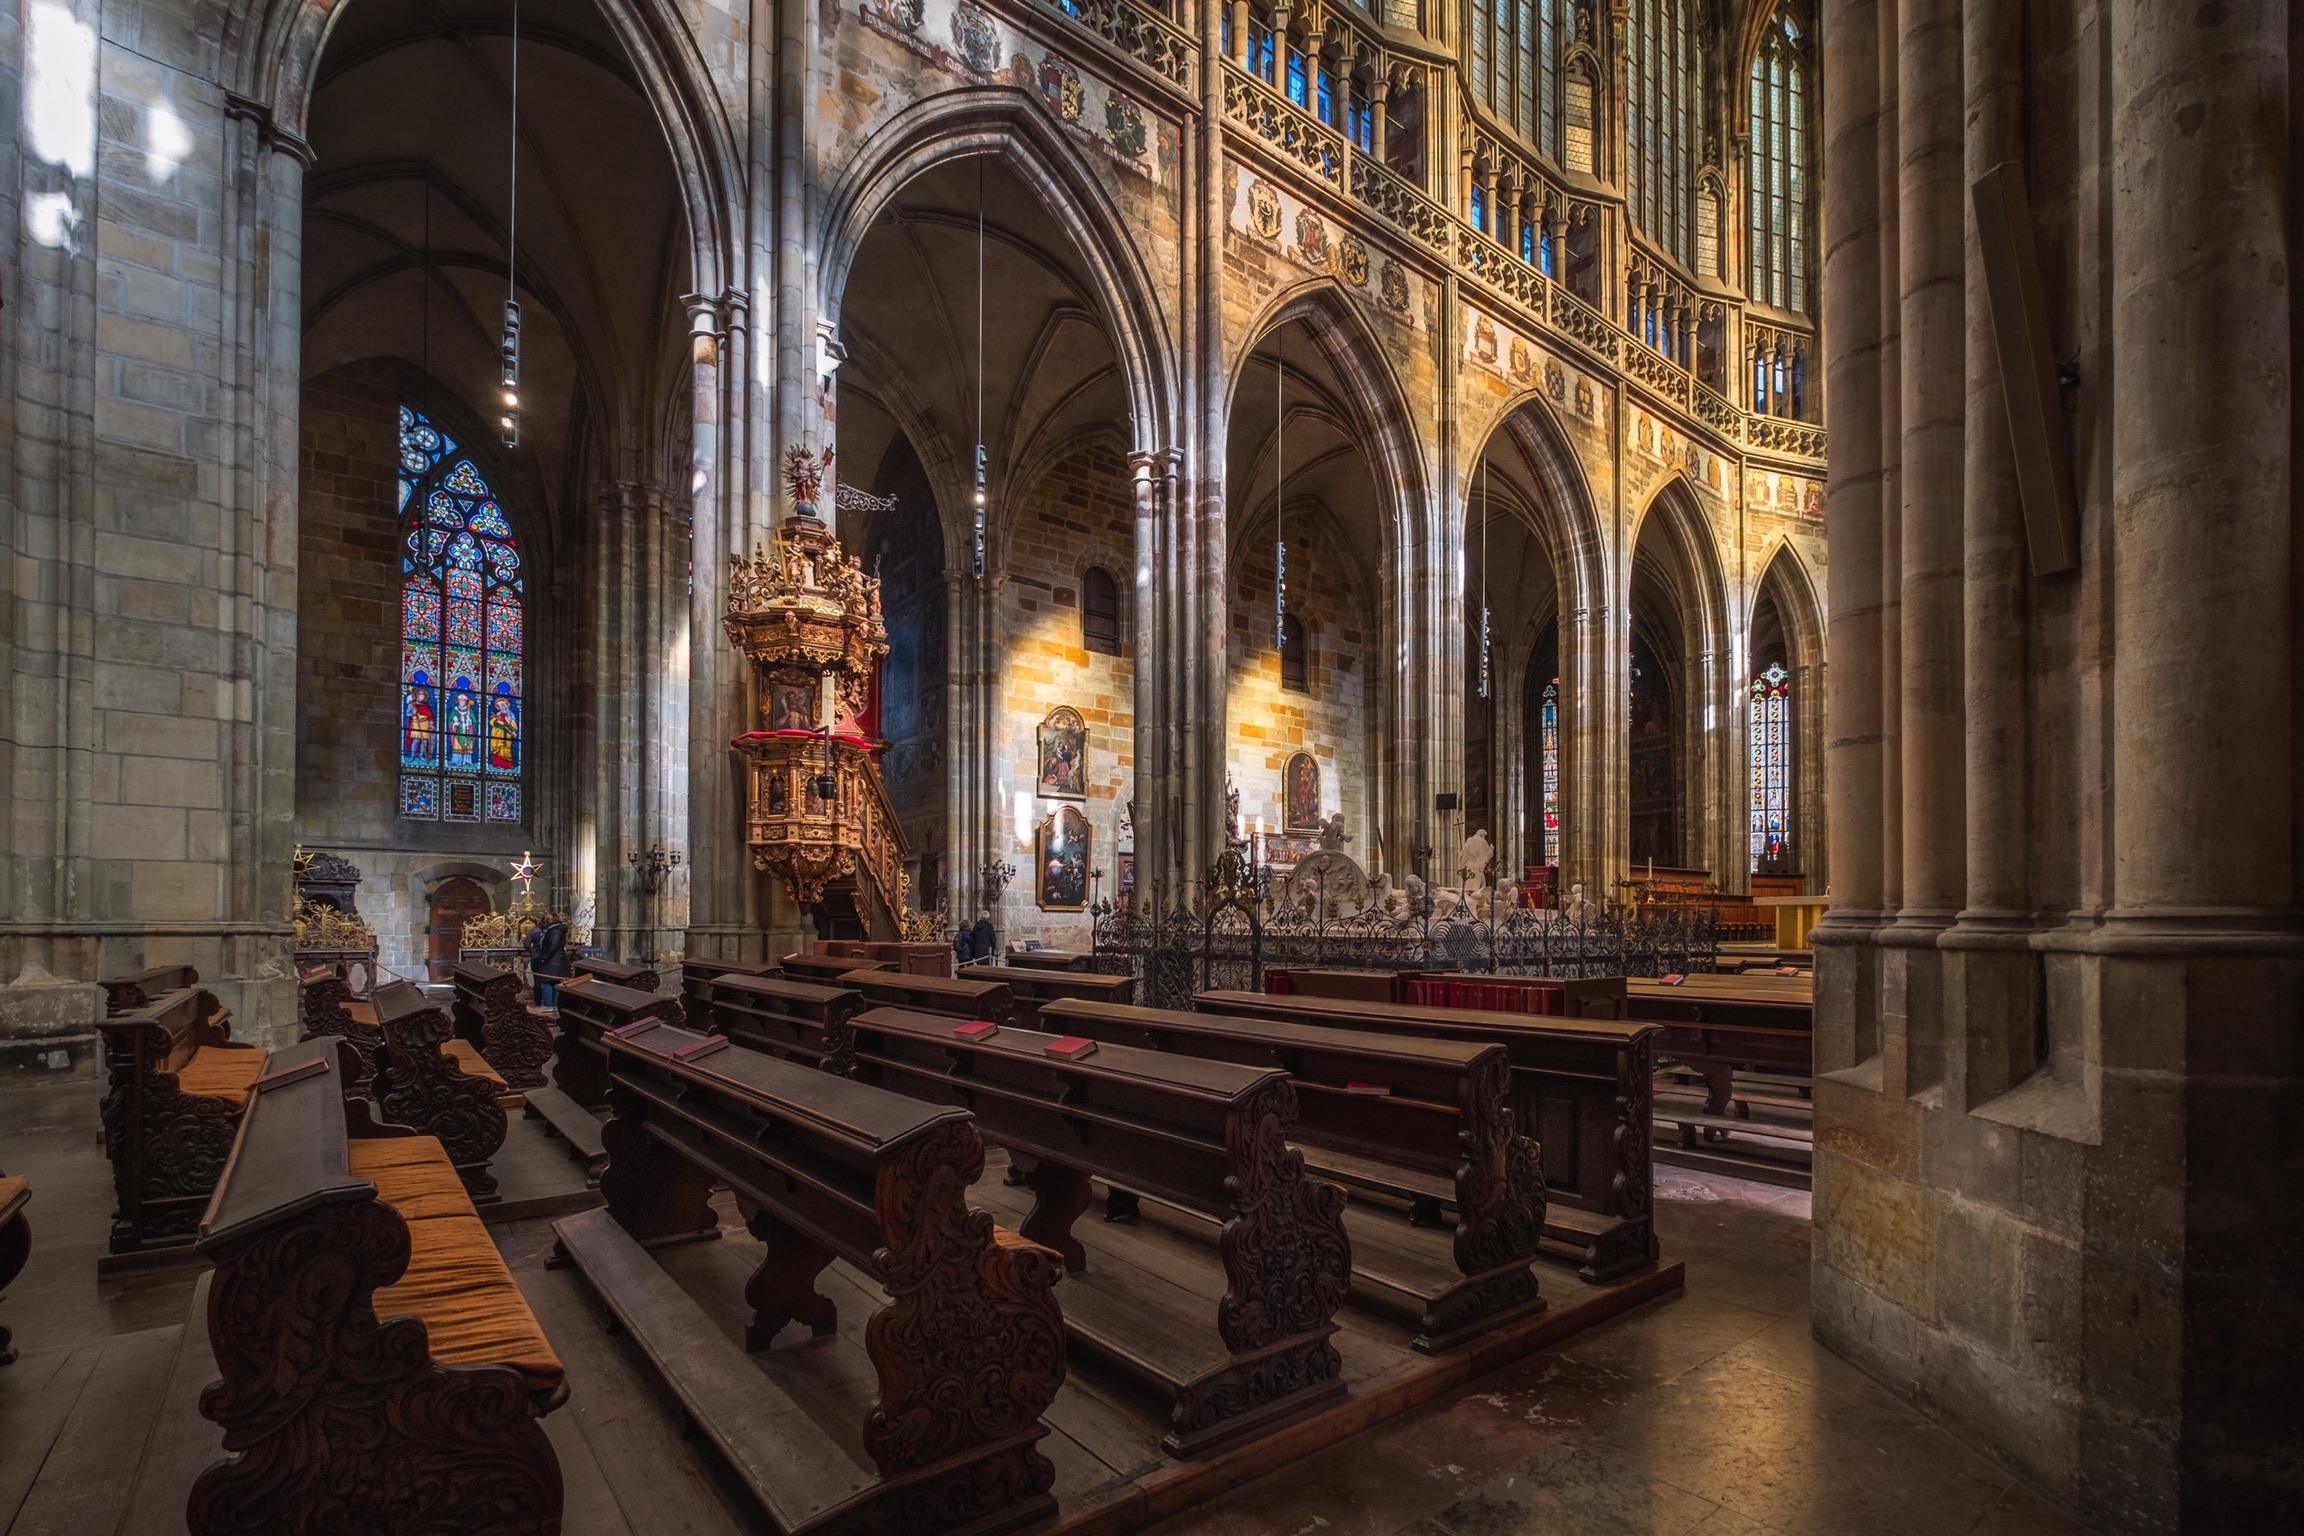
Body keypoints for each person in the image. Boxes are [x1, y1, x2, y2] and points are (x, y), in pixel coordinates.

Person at [525, 910, 569, 1007]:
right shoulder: (553, 930)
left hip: (552, 962)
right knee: (551, 982)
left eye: (546, 919)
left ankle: (549, 1006)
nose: (544, 922)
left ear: (550, 920)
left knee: (545, 982)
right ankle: (552, 1006)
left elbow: (553, 946)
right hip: (553, 961)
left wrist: (544, 957)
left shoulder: (554, 931)